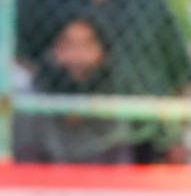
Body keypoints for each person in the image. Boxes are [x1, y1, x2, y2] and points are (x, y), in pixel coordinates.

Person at [18, 0, 191, 161]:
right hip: (65, 145)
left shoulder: (147, 0)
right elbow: (22, 69)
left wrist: (179, 137)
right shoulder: (39, 0)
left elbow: (181, 77)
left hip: (146, 141)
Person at [14, 16, 131, 165]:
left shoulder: (115, 105)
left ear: (102, 52)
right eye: (68, 45)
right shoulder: (30, 105)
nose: (77, 56)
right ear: (53, 51)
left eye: (86, 45)